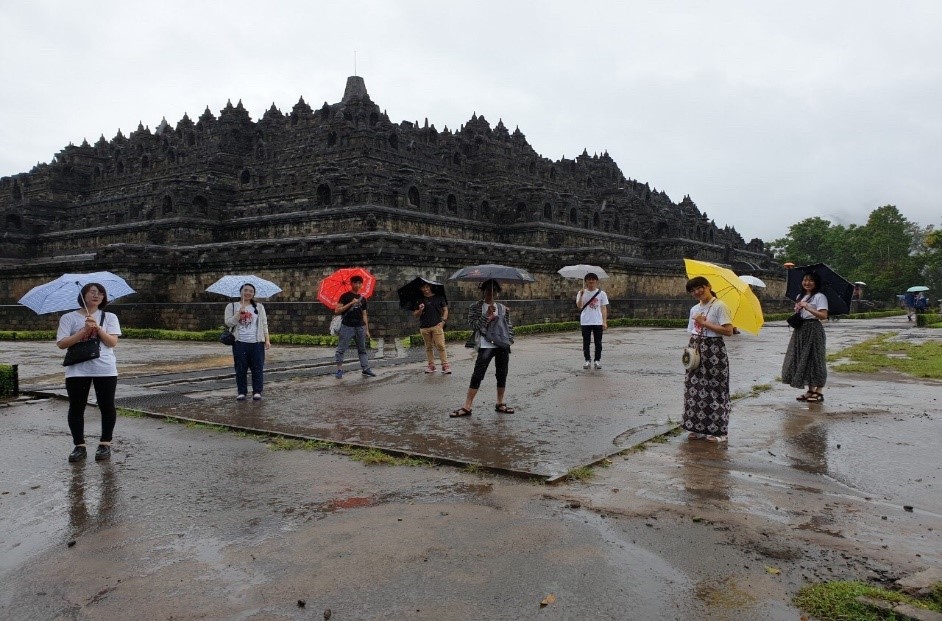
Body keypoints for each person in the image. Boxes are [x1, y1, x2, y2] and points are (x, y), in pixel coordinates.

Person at [56, 283, 122, 462]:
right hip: (77, 369)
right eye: (92, 292)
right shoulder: (68, 318)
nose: (97, 296)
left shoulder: (109, 317)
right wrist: (84, 330)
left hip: (105, 368)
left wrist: (98, 328)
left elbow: (112, 343)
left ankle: (105, 444)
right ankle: (79, 446)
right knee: (77, 407)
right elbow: (62, 344)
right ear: (83, 295)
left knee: (106, 405)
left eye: (101, 293)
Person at [451, 279, 515, 417]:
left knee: (502, 374)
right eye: (488, 290)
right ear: (483, 291)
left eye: (494, 290)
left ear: (497, 292)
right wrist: (487, 315)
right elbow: (473, 325)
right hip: (486, 345)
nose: (491, 293)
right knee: (478, 374)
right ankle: (467, 406)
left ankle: (500, 402)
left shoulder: (502, 308)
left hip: (502, 345)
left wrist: (509, 340)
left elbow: (508, 326)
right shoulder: (476, 307)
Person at [683, 276, 734, 443]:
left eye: (700, 288)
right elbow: (692, 331)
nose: (697, 292)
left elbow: (728, 331)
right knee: (695, 389)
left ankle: (718, 431)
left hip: (714, 350)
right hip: (697, 348)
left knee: (715, 388)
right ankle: (697, 428)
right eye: (692, 290)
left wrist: (704, 324)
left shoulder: (720, 306)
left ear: (708, 286)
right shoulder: (694, 309)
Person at [782, 270, 829, 403]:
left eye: (810, 280)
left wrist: (808, 307)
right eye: (805, 280)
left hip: (814, 328)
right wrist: (799, 308)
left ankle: (819, 391)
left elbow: (824, 316)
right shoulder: (800, 296)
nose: (807, 283)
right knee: (804, 359)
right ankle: (810, 390)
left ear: (816, 282)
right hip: (801, 330)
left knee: (816, 359)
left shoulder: (820, 297)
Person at [224, 283, 271, 401]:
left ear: (254, 293)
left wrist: (267, 339)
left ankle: (257, 391)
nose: (248, 293)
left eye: (251, 291)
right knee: (240, 368)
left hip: (256, 342)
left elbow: (264, 324)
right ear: (241, 292)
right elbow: (228, 323)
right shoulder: (232, 306)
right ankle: (242, 392)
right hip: (239, 342)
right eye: (246, 290)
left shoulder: (259, 307)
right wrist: (238, 314)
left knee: (257, 368)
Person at [334, 275, 376, 378]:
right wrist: (351, 303)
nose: (357, 285)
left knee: (362, 349)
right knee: (341, 349)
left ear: (362, 284)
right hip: (347, 326)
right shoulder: (345, 296)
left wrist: (367, 329)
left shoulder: (363, 299)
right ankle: (339, 370)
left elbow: (364, 314)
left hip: (360, 326)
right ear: (351, 284)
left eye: (359, 283)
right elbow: (337, 311)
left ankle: (365, 368)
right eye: (355, 283)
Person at [414, 282, 450, 374]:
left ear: (430, 287)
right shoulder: (419, 300)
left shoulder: (439, 297)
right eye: (423, 288)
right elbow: (415, 315)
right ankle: (431, 365)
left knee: (441, 346)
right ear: (421, 289)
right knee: (428, 347)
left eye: (426, 287)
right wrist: (420, 310)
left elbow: (445, 310)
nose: (425, 289)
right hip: (424, 327)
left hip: (437, 325)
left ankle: (445, 365)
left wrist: (443, 322)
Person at [576, 273, 609, 369]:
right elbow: (579, 306)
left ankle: (597, 360)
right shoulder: (581, 292)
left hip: (597, 321)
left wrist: (604, 321)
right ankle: (587, 360)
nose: (591, 281)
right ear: (586, 281)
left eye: (593, 279)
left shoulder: (602, 294)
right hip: (585, 321)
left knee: (598, 342)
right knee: (586, 342)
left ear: (596, 281)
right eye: (589, 279)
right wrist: (581, 295)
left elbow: (603, 308)